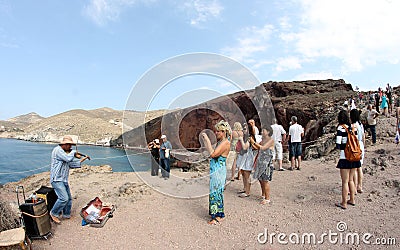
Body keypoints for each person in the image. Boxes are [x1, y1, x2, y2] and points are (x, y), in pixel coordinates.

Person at [49, 135, 90, 224]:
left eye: (71, 145)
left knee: (69, 199)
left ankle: (66, 214)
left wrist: (84, 159)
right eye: (68, 145)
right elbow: (68, 159)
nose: (70, 147)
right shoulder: (58, 150)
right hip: (57, 179)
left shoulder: (65, 153)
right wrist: (74, 152)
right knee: (63, 198)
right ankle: (53, 213)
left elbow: (71, 164)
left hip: (63, 180)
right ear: (64, 144)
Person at [201, 120, 231, 225]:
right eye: (216, 131)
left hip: (219, 172)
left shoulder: (226, 143)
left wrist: (208, 141)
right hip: (216, 170)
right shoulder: (221, 142)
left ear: (224, 132)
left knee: (216, 192)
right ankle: (219, 213)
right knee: (215, 192)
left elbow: (213, 154)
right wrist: (205, 141)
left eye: (218, 131)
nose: (216, 133)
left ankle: (216, 216)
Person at [335, 110, 361, 209]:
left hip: (345, 157)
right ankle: (352, 200)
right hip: (355, 157)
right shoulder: (353, 127)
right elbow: (357, 141)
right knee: (351, 179)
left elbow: (338, 144)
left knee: (344, 181)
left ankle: (344, 203)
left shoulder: (341, 128)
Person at [250, 126, 275, 205]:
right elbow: (257, 148)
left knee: (265, 180)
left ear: (268, 132)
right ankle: (263, 195)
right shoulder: (262, 140)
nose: (261, 132)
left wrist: (253, 142)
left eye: (263, 130)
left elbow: (263, 148)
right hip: (260, 162)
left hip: (267, 163)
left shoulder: (271, 140)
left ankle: (268, 198)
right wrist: (251, 142)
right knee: (260, 179)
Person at [350, 109, 365, 193]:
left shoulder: (353, 126)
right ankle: (360, 186)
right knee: (359, 167)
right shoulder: (360, 124)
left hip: (355, 146)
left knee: (354, 168)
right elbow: (363, 136)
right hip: (361, 145)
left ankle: (354, 188)